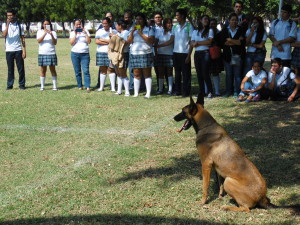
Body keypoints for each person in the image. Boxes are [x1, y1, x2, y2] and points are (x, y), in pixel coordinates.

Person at [163, 8, 193, 97]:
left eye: (177, 15)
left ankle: (186, 91)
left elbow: (191, 42)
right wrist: (159, 45)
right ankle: (177, 90)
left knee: (186, 74)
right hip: (176, 53)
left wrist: (189, 55)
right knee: (177, 73)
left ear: (183, 16)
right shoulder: (175, 27)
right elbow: (171, 40)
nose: (176, 17)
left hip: (185, 54)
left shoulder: (189, 26)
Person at [127, 13, 155, 98]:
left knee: (147, 73)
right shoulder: (133, 29)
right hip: (135, 53)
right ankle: (136, 93)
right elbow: (129, 41)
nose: (138, 21)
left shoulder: (149, 29)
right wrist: (132, 31)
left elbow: (151, 41)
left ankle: (148, 93)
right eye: (137, 19)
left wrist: (141, 33)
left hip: (146, 53)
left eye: (140, 19)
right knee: (136, 73)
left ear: (144, 20)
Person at [220, 13, 245, 97]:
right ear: (229, 21)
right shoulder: (224, 30)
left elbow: (241, 43)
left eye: (236, 20)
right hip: (227, 56)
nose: (234, 21)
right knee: (229, 75)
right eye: (232, 20)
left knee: (237, 75)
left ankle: (237, 91)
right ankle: (228, 91)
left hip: (237, 56)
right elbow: (224, 43)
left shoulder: (241, 29)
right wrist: (236, 41)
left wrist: (231, 40)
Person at [3, 9, 26, 90]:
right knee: (10, 69)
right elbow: (4, 35)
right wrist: (7, 24)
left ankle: (22, 85)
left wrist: (24, 51)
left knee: (21, 68)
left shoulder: (20, 25)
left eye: (10, 15)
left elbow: (22, 38)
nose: (9, 17)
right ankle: (10, 85)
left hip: (18, 49)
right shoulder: (4, 25)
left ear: (14, 16)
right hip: (9, 50)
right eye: (8, 16)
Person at [191, 15, 214, 98]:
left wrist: (198, 43)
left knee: (205, 73)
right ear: (200, 20)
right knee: (199, 74)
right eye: (205, 19)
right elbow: (192, 42)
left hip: (205, 53)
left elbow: (209, 42)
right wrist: (195, 43)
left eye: (207, 19)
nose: (206, 20)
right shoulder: (195, 31)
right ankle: (202, 92)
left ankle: (210, 91)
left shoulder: (210, 30)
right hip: (197, 54)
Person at [95, 17, 117, 92]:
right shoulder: (99, 31)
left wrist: (104, 40)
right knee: (102, 69)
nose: (104, 25)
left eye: (106, 23)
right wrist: (108, 41)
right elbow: (97, 42)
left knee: (111, 69)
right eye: (103, 23)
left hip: (110, 52)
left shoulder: (113, 31)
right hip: (101, 52)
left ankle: (113, 87)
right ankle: (101, 87)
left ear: (109, 23)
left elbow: (114, 42)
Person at [69, 19, 91, 92]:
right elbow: (71, 43)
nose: (79, 26)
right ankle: (80, 85)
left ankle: (87, 86)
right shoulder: (72, 33)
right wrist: (75, 34)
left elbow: (89, 41)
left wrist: (85, 34)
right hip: (75, 54)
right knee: (77, 71)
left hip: (85, 54)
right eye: (77, 24)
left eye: (80, 24)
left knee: (86, 70)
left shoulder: (86, 31)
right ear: (74, 25)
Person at [36, 18, 58, 91]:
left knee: (53, 69)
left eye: (47, 24)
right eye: (44, 24)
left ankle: (54, 86)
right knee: (43, 70)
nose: (46, 25)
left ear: (50, 25)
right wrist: (45, 33)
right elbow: (39, 41)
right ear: (42, 25)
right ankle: (42, 86)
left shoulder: (53, 32)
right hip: (42, 53)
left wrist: (51, 34)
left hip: (51, 52)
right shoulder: (39, 32)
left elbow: (55, 42)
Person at [155, 18, 174, 95]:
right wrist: (156, 53)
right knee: (160, 73)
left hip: (169, 54)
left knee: (169, 72)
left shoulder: (173, 32)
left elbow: (170, 42)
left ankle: (170, 89)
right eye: (167, 23)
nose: (169, 24)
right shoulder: (159, 32)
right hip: (160, 54)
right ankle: (160, 89)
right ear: (164, 25)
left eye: (170, 23)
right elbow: (155, 43)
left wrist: (159, 46)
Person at [114, 19, 130, 96]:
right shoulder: (119, 33)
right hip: (117, 54)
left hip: (123, 54)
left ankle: (127, 91)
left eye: (117, 25)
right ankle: (119, 90)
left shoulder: (126, 33)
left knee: (123, 72)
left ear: (120, 26)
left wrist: (116, 38)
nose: (116, 26)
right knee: (118, 73)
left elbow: (125, 42)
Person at [209, 18, 223, 96]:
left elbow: (221, 44)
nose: (212, 25)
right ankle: (207, 90)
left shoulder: (219, 33)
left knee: (215, 73)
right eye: (211, 24)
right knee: (207, 73)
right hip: (207, 54)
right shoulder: (206, 32)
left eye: (214, 24)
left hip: (216, 55)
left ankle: (217, 90)